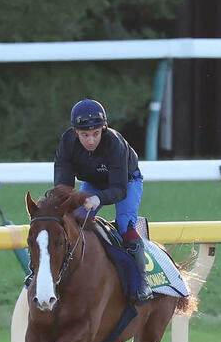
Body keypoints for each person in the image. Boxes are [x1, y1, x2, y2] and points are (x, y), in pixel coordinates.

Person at [29, 99, 152, 303]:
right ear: (75, 132)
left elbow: (119, 190)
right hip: (93, 182)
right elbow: (63, 188)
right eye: (85, 135)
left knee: (124, 224)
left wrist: (98, 198)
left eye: (96, 133)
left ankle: (142, 282)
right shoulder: (67, 143)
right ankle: (46, 276)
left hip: (127, 182)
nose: (91, 140)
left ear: (104, 129)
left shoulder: (115, 143)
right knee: (72, 221)